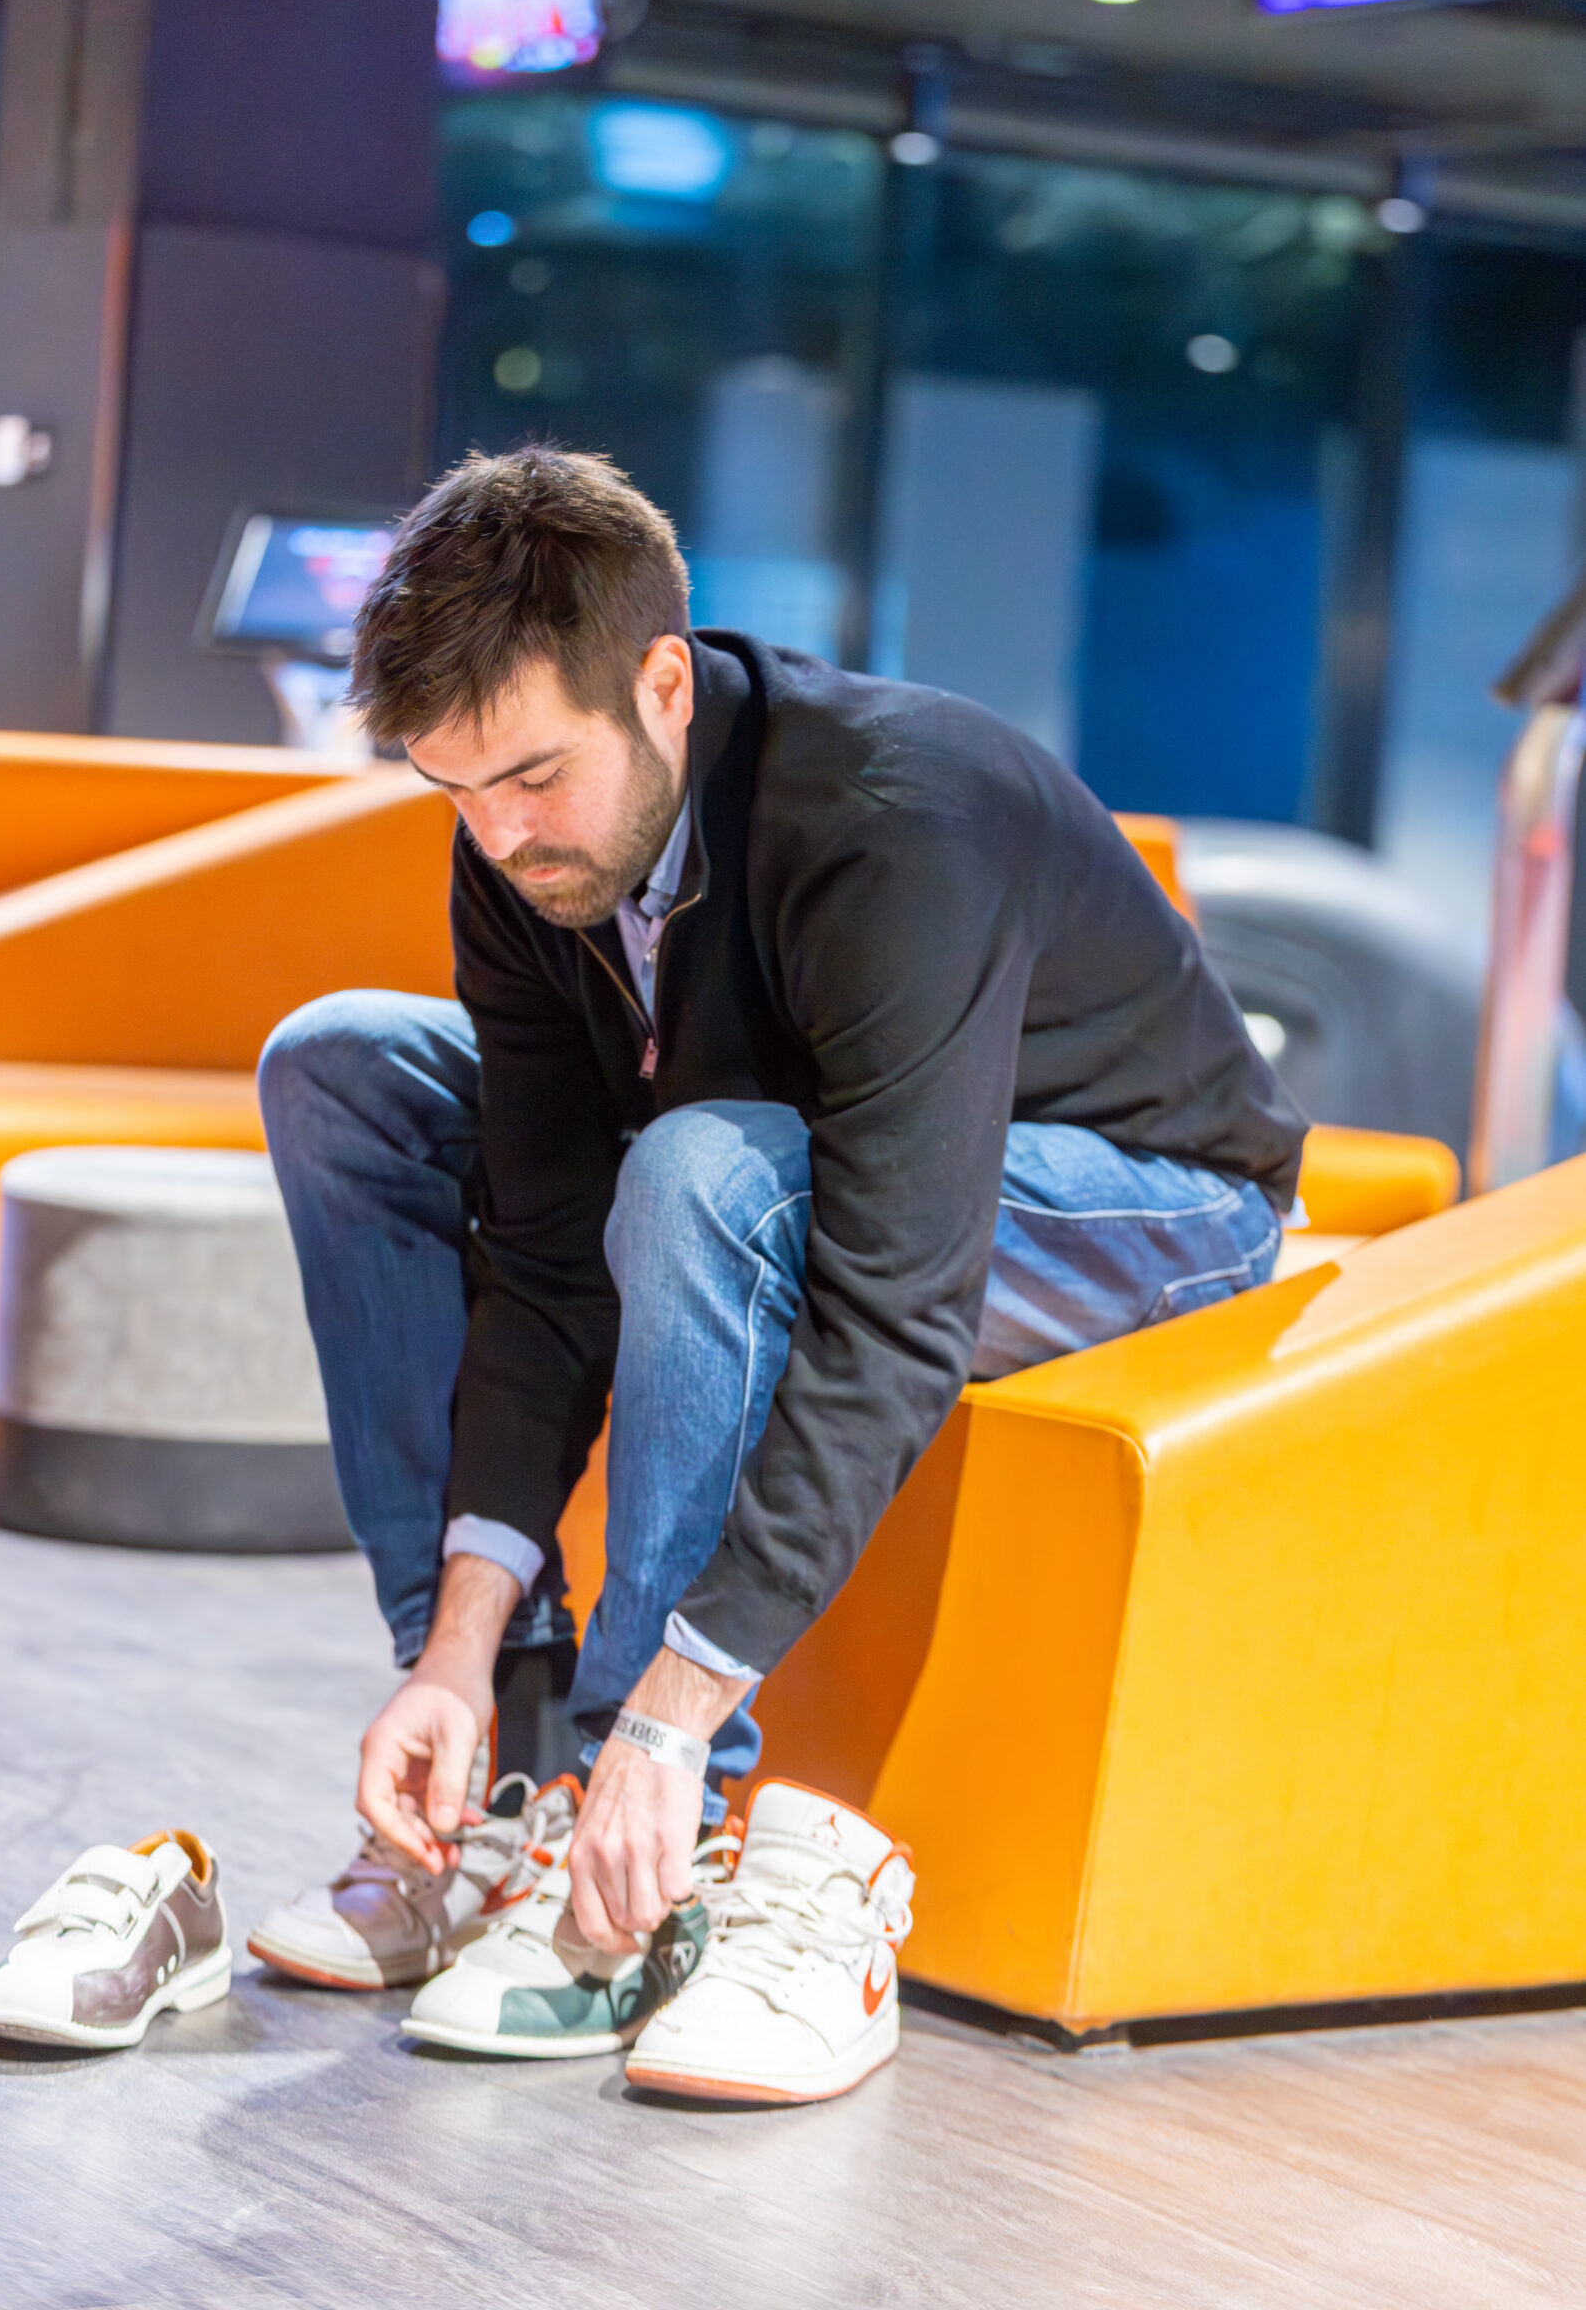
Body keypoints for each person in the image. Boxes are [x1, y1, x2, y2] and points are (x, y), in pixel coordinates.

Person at [251, 443, 1304, 2101]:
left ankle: (639, 1839)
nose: (499, 836)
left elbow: (897, 1301)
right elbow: (549, 1247)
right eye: (454, 793)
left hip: (1148, 1204)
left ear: (663, 685)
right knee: (345, 1067)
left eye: (531, 777)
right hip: (781, 1150)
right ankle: (496, 1764)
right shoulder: (520, 854)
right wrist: (458, 1642)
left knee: (705, 1173)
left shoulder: (894, 819)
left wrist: (668, 1716)